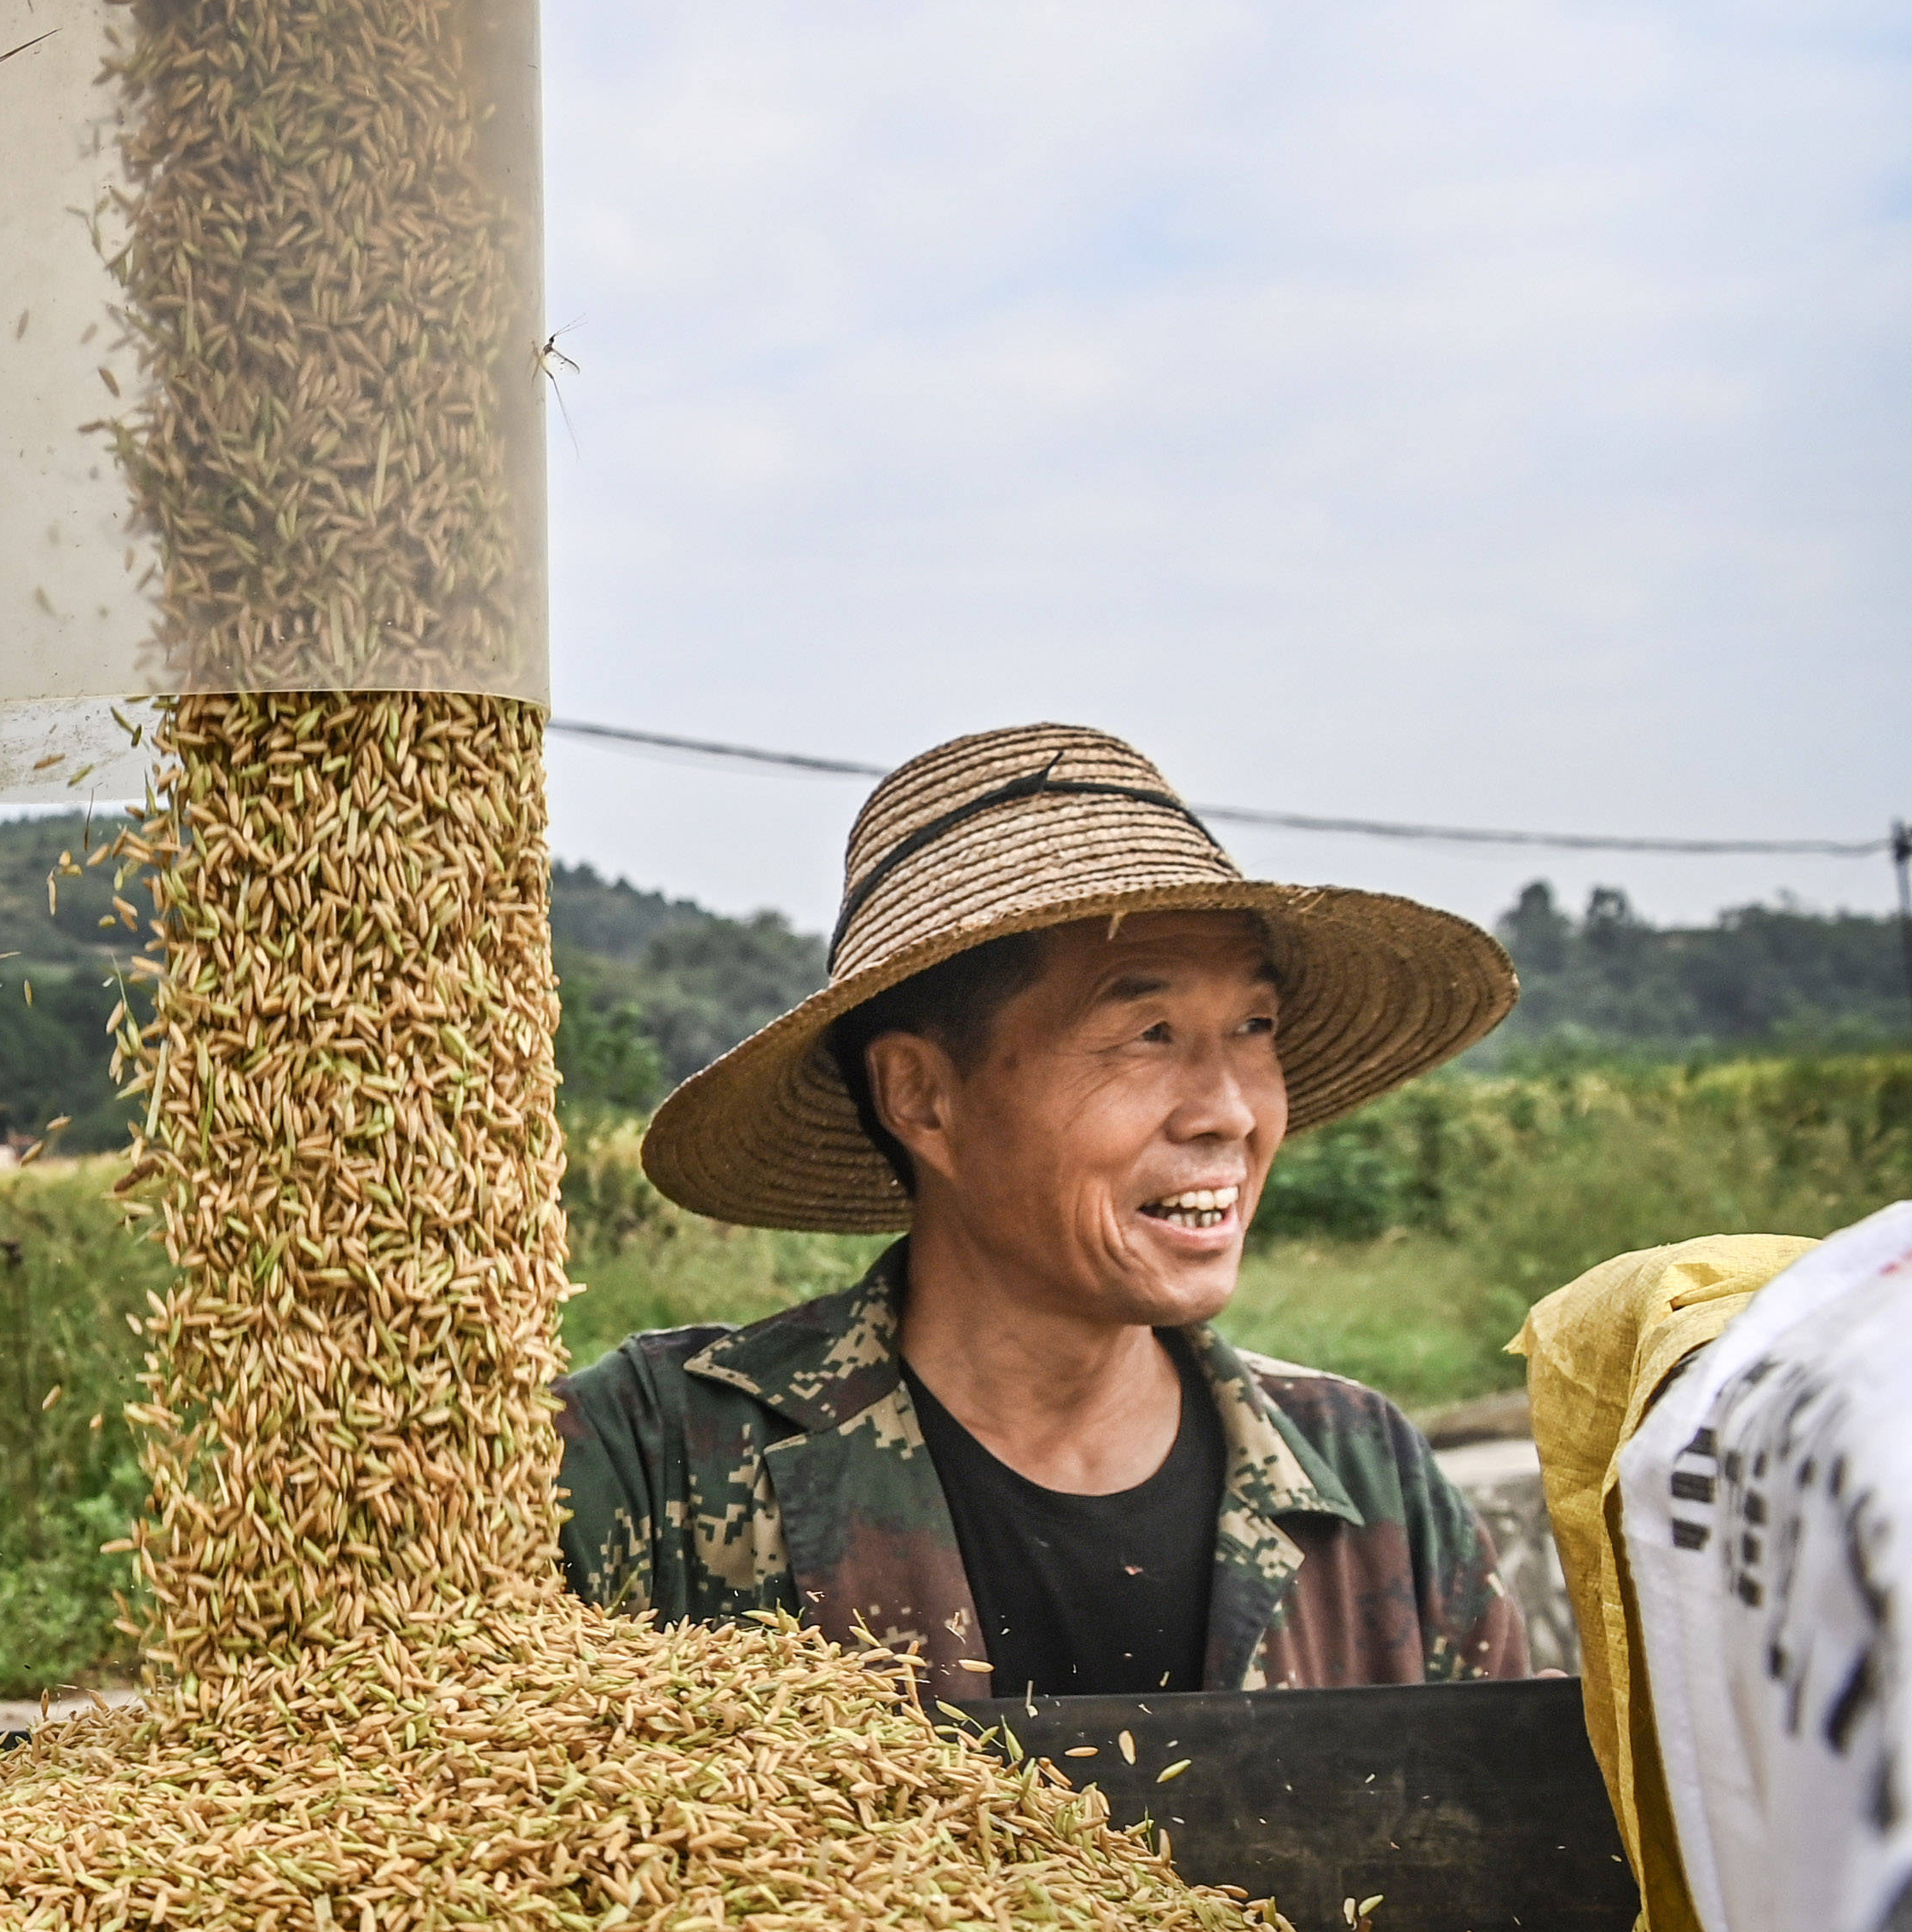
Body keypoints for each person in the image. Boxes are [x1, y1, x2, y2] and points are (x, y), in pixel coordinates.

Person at [557, 722, 1534, 1699]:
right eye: (1148, 1033)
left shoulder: (1368, 1484)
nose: (1230, 1111)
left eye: (1253, 1027)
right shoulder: (658, 1465)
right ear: (923, 1097)